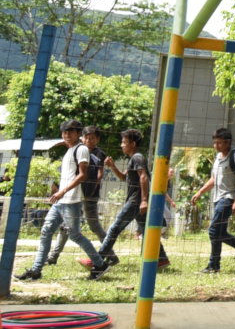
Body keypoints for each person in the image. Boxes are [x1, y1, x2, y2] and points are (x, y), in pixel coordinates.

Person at [15, 119, 110, 281]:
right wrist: (58, 192)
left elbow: (83, 175)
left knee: (75, 235)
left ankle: (100, 264)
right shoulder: (70, 150)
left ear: (79, 134)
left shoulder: (81, 150)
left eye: (71, 132)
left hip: (71, 201)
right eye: (65, 132)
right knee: (46, 232)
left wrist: (63, 191)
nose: (67, 134)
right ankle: (36, 270)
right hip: (61, 201)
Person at [88, 128, 170, 271]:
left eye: (124, 142)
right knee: (146, 231)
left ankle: (99, 259)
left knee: (114, 228)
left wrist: (144, 200)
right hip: (137, 201)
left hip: (135, 201)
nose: (121, 145)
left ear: (132, 143)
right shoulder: (134, 158)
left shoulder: (138, 157)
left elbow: (143, 177)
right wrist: (113, 167)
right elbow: (124, 177)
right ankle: (162, 259)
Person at [190, 128, 235, 273]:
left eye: (219, 143)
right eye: (215, 143)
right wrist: (200, 192)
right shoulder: (218, 157)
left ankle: (214, 265)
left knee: (214, 230)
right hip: (217, 197)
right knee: (219, 232)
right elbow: (213, 179)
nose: (216, 146)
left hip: (229, 198)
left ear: (228, 142)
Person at [46, 125, 110, 266]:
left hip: (88, 195)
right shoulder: (76, 150)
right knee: (65, 227)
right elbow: (68, 173)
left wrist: (92, 186)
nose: (89, 140)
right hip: (72, 194)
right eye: (86, 137)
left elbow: (97, 173)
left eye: (92, 138)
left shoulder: (97, 153)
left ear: (97, 139)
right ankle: (53, 256)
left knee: (93, 226)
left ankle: (108, 254)